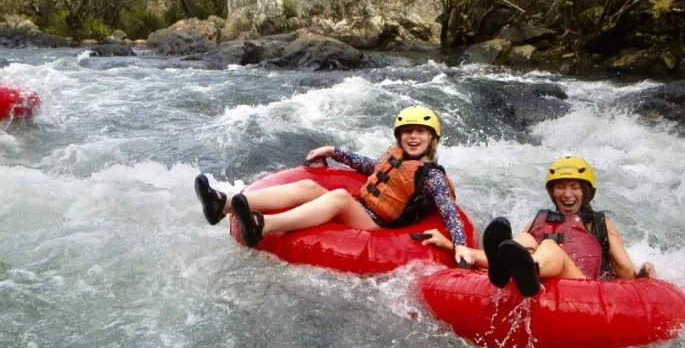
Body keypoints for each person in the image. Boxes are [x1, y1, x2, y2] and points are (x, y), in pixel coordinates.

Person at [194, 106, 470, 262]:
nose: (413, 137)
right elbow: (370, 167)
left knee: (339, 196)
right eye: (407, 132)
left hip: (380, 226)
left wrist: (460, 245)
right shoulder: (396, 158)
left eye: (420, 132)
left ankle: (262, 225)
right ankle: (223, 204)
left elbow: (448, 210)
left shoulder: (432, 177)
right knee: (308, 187)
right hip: (364, 208)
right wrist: (335, 152)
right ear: (399, 137)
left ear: (432, 139)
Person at [421, 156, 656, 297]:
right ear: (552, 192)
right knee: (524, 242)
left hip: (582, 287)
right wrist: (454, 247)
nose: (567, 194)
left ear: (586, 192)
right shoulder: (541, 220)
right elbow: (511, 252)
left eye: (574, 187)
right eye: (560, 187)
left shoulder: (600, 223)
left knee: (550, 248)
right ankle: (514, 269)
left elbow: (625, 272)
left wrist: (644, 275)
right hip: (537, 278)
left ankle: (528, 269)